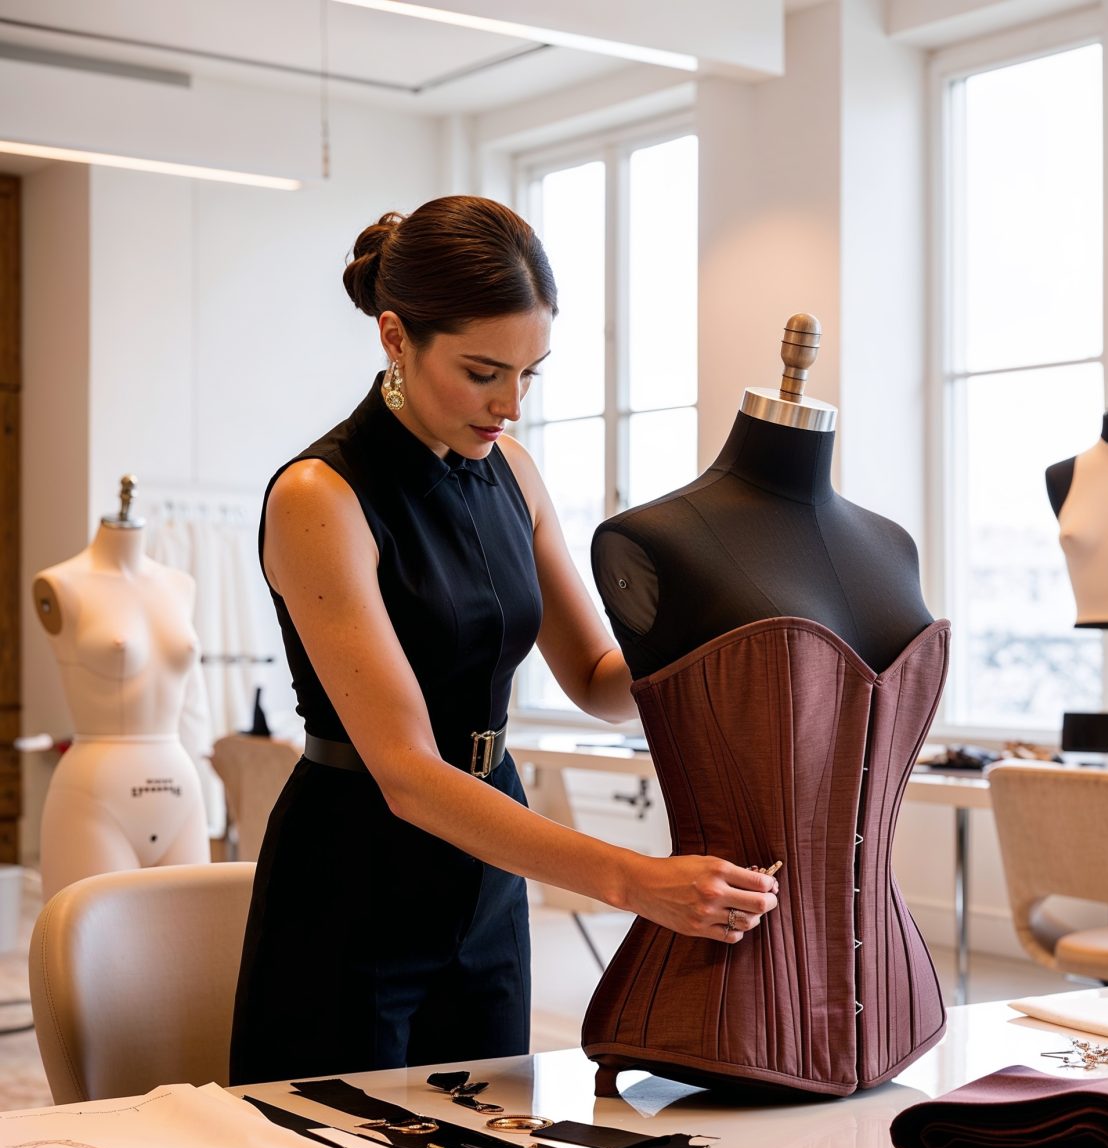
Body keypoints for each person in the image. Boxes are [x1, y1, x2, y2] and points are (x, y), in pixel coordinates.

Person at [229, 196, 777, 1086]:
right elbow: (408, 774)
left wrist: (727, 621)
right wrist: (635, 881)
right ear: (395, 338)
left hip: (488, 877)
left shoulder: (512, 473)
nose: (510, 405)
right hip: (354, 875)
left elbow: (599, 680)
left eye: (530, 374)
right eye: (483, 372)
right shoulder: (319, 496)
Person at [33, 487, 209, 900]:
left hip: (179, 787)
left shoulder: (179, 585)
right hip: (94, 793)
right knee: (89, 939)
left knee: (193, 937)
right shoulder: (62, 583)